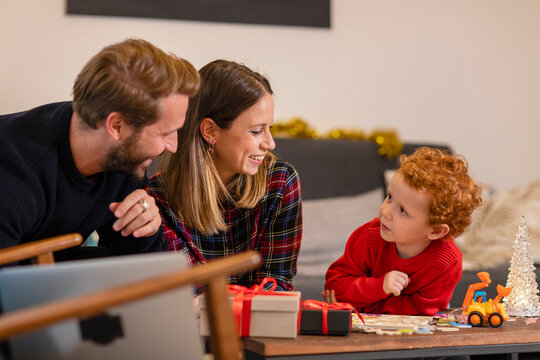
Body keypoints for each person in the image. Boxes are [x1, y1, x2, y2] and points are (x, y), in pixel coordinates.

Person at [0, 38, 200, 261]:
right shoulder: (14, 173)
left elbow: (145, 272)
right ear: (116, 126)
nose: (173, 146)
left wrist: (145, 227)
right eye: (164, 133)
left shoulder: (121, 157)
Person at [147, 60, 302, 293]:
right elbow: (188, 295)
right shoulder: (157, 199)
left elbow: (277, 283)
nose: (270, 143)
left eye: (270, 128)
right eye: (256, 131)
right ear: (210, 131)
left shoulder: (280, 181)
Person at [323, 147, 483, 315]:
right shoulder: (370, 235)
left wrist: (362, 305)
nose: (385, 212)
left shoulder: (446, 263)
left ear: (436, 231)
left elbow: (421, 312)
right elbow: (335, 287)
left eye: (403, 211)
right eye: (389, 197)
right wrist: (380, 286)